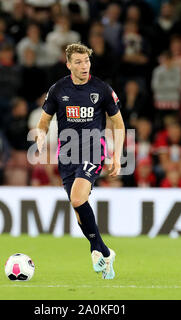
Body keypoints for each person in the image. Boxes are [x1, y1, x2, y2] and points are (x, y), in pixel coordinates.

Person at [35, 43, 125, 280]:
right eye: (78, 62)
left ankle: (96, 249)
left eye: (86, 61)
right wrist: (41, 137)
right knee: (78, 209)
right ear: (68, 65)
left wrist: (116, 154)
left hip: (94, 149)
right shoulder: (58, 90)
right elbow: (44, 121)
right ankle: (105, 252)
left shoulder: (101, 89)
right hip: (67, 155)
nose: (84, 66)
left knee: (77, 198)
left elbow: (118, 123)